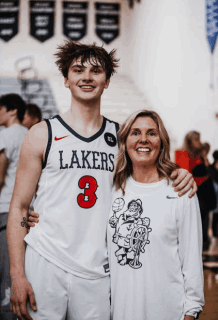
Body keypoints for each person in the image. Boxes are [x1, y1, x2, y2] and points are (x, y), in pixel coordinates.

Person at [7, 40, 197, 320]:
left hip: (98, 271)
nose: (86, 77)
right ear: (66, 79)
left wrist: (180, 173)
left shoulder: (121, 138)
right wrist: (17, 275)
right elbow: (20, 208)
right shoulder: (41, 134)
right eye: (78, 70)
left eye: (96, 71)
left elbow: (152, 173)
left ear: (107, 81)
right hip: (45, 262)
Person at [108, 110, 204, 320]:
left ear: (161, 141)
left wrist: (191, 313)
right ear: (124, 141)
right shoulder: (111, 190)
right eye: (135, 132)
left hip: (168, 312)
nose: (143, 139)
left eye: (151, 133)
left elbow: (192, 264)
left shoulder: (180, 191)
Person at [0, 94, 28, 320]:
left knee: (5, 272)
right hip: (26, 211)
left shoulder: (5, 135)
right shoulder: (30, 135)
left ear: (12, 111)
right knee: (17, 270)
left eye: (0, 109)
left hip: (4, 210)